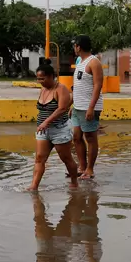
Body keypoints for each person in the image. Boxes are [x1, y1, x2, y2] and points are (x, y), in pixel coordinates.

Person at [30, 61, 79, 191]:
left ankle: (74, 181)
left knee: (66, 159)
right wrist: (43, 123)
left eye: (43, 78)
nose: (40, 81)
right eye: (38, 78)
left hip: (59, 129)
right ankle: (34, 186)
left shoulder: (60, 89)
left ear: (52, 76)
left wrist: (46, 121)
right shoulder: (43, 89)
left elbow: (62, 108)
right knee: (39, 158)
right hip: (43, 131)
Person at [71, 35, 104, 180]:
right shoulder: (80, 61)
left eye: (75, 45)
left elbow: (98, 85)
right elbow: (78, 86)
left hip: (89, 106)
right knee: (76, 137)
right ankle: (82, 167)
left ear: (79, 46)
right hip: (78, 107)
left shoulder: (94, 62)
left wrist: (91, 108)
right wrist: (73, 104)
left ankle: (90, 169)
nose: (74, 48)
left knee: (90, 138)